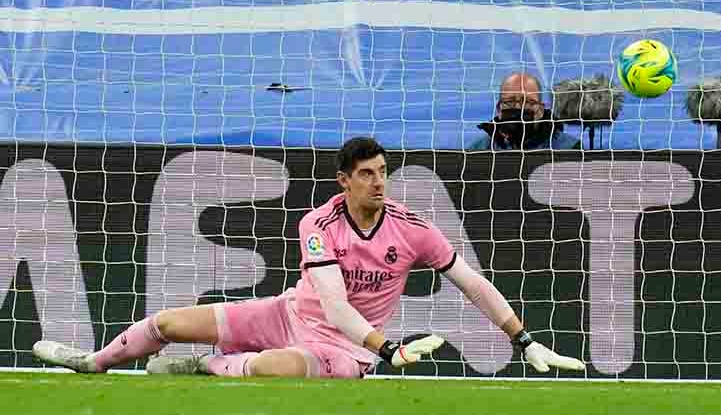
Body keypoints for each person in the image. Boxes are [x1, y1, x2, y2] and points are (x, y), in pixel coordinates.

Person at [33, 137, 584, 379]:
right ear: (343, 181)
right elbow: (336, 303)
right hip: (291, 314)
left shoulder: (412, 227)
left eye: (383, 172)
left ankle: (207, 365)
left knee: (281, 370)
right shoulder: (317, 224)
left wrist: (523, 338)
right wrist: (389, 346)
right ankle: (94, 362)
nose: (378, 182)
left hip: (345, 350)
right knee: (171, 321)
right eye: (366, 174)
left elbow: (472, 282)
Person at [470, 72, 581, 150]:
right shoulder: (480, 148)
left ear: (540, 111)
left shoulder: (569, 147)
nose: (518, 107)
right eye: (510, 101)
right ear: (499, 109)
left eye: (527, 102)